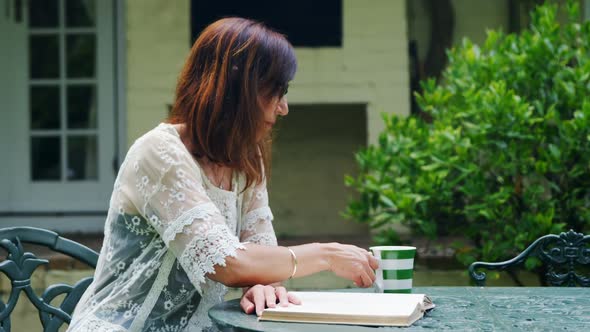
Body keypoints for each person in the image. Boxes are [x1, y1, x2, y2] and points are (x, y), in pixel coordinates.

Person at [67, 17, 379, 332]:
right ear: (238, 90)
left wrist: (260, 286)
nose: (283, 107)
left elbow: (264, 258)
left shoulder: (245, 156)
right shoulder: (159, 152)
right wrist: (326, 255)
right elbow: (225, 263)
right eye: (276, 91)